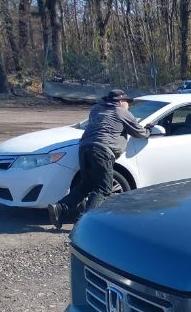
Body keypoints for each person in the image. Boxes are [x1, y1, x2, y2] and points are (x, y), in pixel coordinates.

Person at [47, 89, 150, 228]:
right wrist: (149, 130)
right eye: (127, 102)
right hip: (102, 150)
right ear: (120, 102)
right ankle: (86, 222)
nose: (128, 105)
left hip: (84, 148)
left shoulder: (96, 109)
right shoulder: (121, 112)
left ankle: (60, 208)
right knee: (104, 188)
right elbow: (140, 132)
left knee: (86, 184)